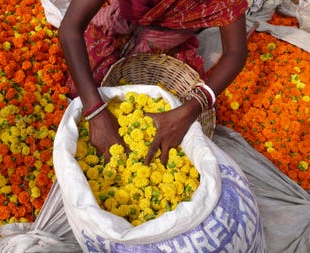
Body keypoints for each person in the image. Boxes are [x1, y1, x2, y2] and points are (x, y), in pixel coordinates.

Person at [58, 0, 248, 165]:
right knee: (82, 87)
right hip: (126, 13)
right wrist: (96, 112)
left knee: (175, 95)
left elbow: (235, 52)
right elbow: (70, 29)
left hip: (172, 30)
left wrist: (191, 108)